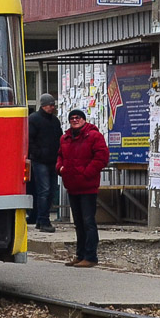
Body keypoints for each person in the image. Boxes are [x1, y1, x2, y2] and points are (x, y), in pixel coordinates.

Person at [56, 108, 110, 267]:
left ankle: (91, 256)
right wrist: (60, 168)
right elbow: (59, 156)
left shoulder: (94, 136)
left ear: (84, 119)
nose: (75, 120)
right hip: (72, 186)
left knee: (88, 222)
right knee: (78, 223)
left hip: (87, 186)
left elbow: (102, 157)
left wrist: (87, 173)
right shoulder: (65, 138)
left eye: (78, 117)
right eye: (72, 118)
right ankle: (80, 255)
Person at [27, 93, 62, 233]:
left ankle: (41, 220)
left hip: (52, 159)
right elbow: (30, 140)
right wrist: (37, 153)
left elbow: (59, 137)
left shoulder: (54, 121)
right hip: (40, 160)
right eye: (50, 105)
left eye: (53, 105)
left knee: (50, 190)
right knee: (45, 190)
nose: (52, 107)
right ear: (43, 105)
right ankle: (44, 219)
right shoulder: (34, 119)